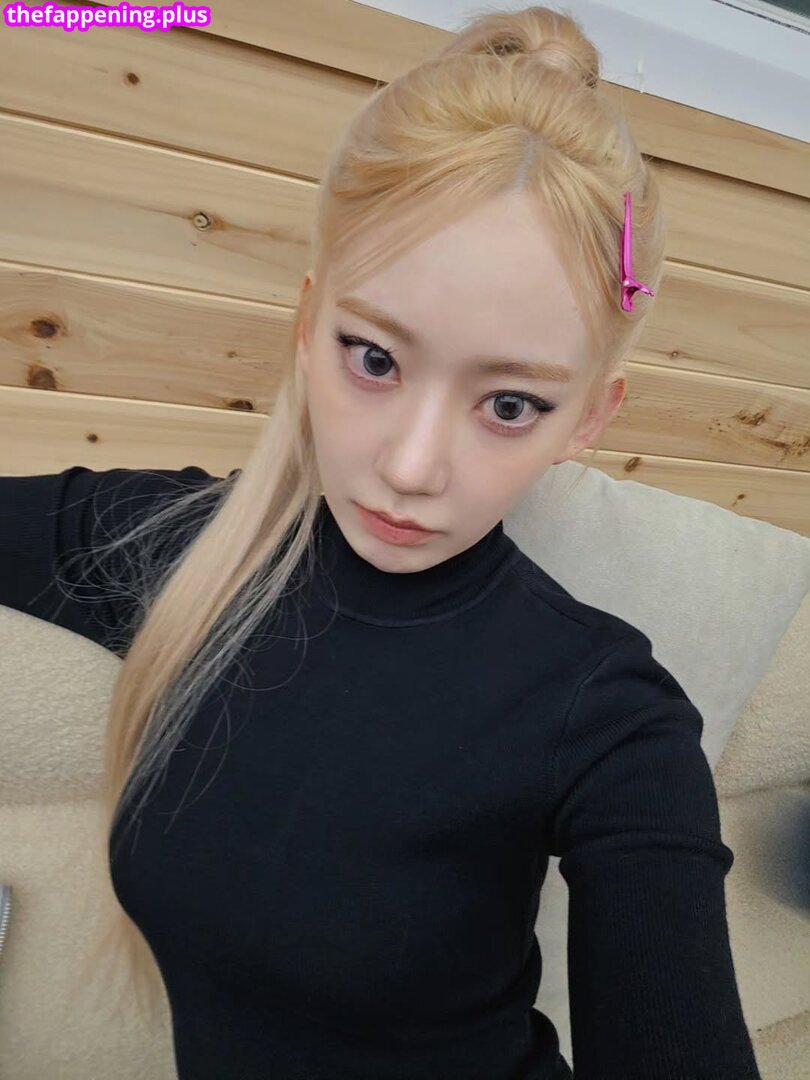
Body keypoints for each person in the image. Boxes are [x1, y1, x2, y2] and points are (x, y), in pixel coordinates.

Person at [0, 6, 763, 1079]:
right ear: (308, 327)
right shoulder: (180, 546)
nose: (411, 467)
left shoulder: (611, 718)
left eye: (510, 405)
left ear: (591, 416)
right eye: (374, 358)